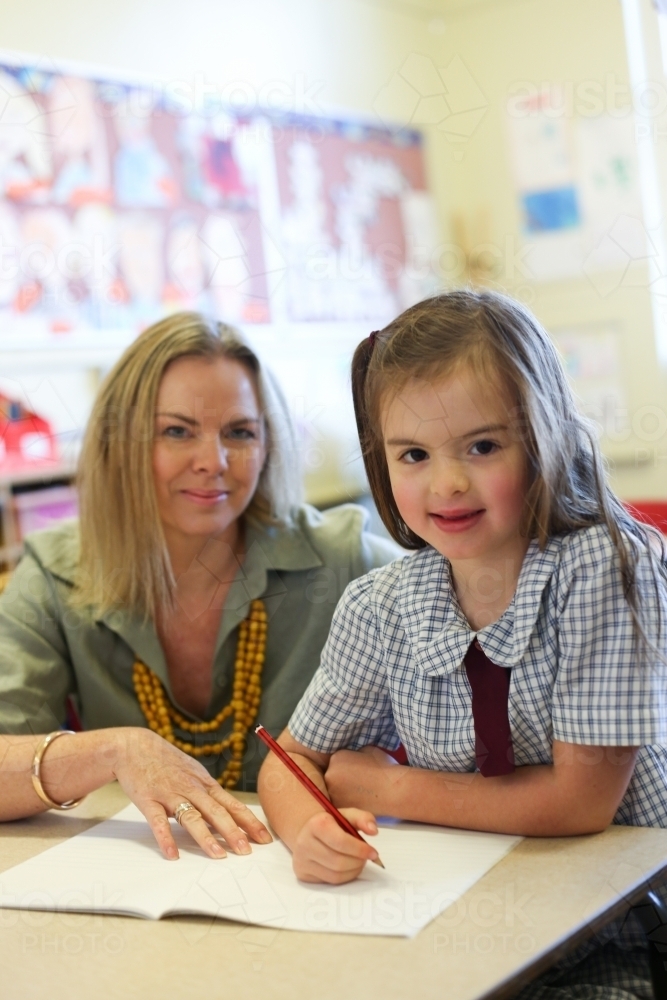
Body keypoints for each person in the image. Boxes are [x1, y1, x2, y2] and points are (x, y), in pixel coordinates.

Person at [258, 289, 667, 998]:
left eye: (481, 446)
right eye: (412, 453)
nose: (446, 483)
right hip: (468, 915)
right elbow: (293, 760)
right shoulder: (381, 603)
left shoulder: (605, 566)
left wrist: (387, 787)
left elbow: (578, 805)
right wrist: (306, 830)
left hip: (621, 918)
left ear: (544, 437)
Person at [0, 311, 400, 858]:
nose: (213, 462)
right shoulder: (54, 571)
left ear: (268, 445)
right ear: (122, 445)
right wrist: (113, 750)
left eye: (239, 433)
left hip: (318, 884)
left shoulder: (345, 559)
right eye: (177, 431)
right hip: (140, 893)